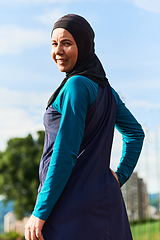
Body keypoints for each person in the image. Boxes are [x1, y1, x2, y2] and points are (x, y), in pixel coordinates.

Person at [25, 14, 145, 240]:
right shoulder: (105, 91)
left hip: (72, 208)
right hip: (107, 203)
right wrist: (119, 177)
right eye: (54, 43)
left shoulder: (76, 85)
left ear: (84, 45)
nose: (58, 51)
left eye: (67, 43)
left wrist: (40, 212)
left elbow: (65, 152)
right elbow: (136, 134)